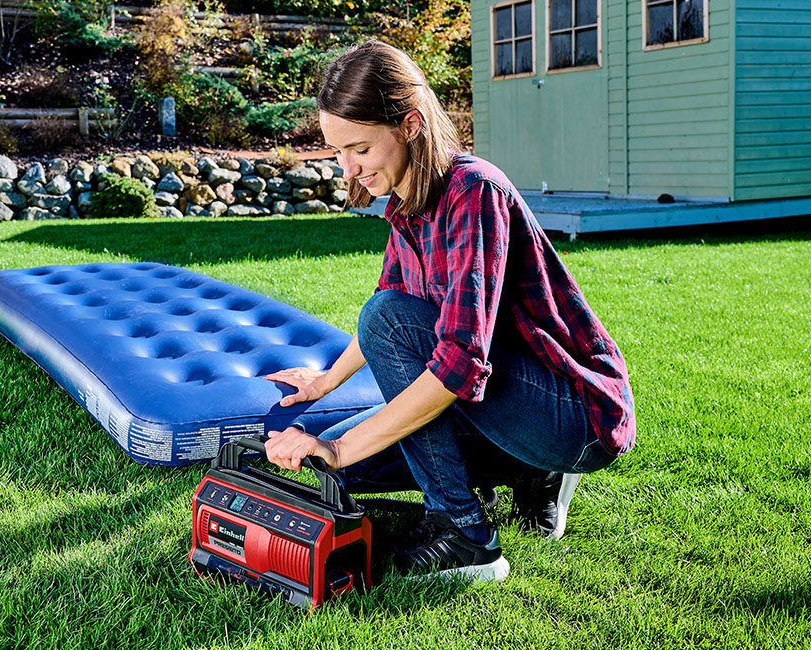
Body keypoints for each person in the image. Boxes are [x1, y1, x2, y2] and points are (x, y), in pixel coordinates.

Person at [263, 40, 636, 582]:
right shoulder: (407, 207)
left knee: (349, 439)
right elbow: (388, 313)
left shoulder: (474, 191)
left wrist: (340, 446)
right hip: (502, 402)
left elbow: (456, 359)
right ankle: (529, 470)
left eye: (359, 148)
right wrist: (323, 386)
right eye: (337, 150)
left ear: (410, 124)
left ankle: (465, 534)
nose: (346, 167)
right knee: (341, 474)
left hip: (575, 412)